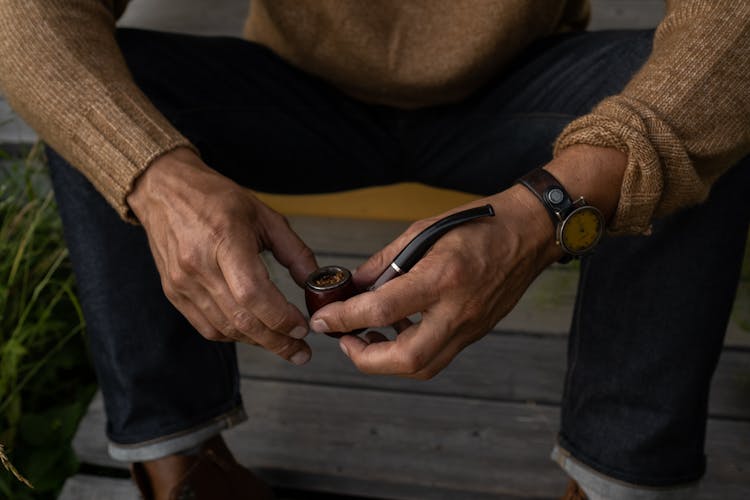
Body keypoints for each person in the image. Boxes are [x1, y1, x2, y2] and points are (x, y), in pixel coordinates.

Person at [1, 1, 748, 499]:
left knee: (698, 113)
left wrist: (540, 215)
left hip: (522, 92)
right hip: (296, 94)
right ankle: (184, 470)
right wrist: (156, 177)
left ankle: (615, 480)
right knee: (96, 103)